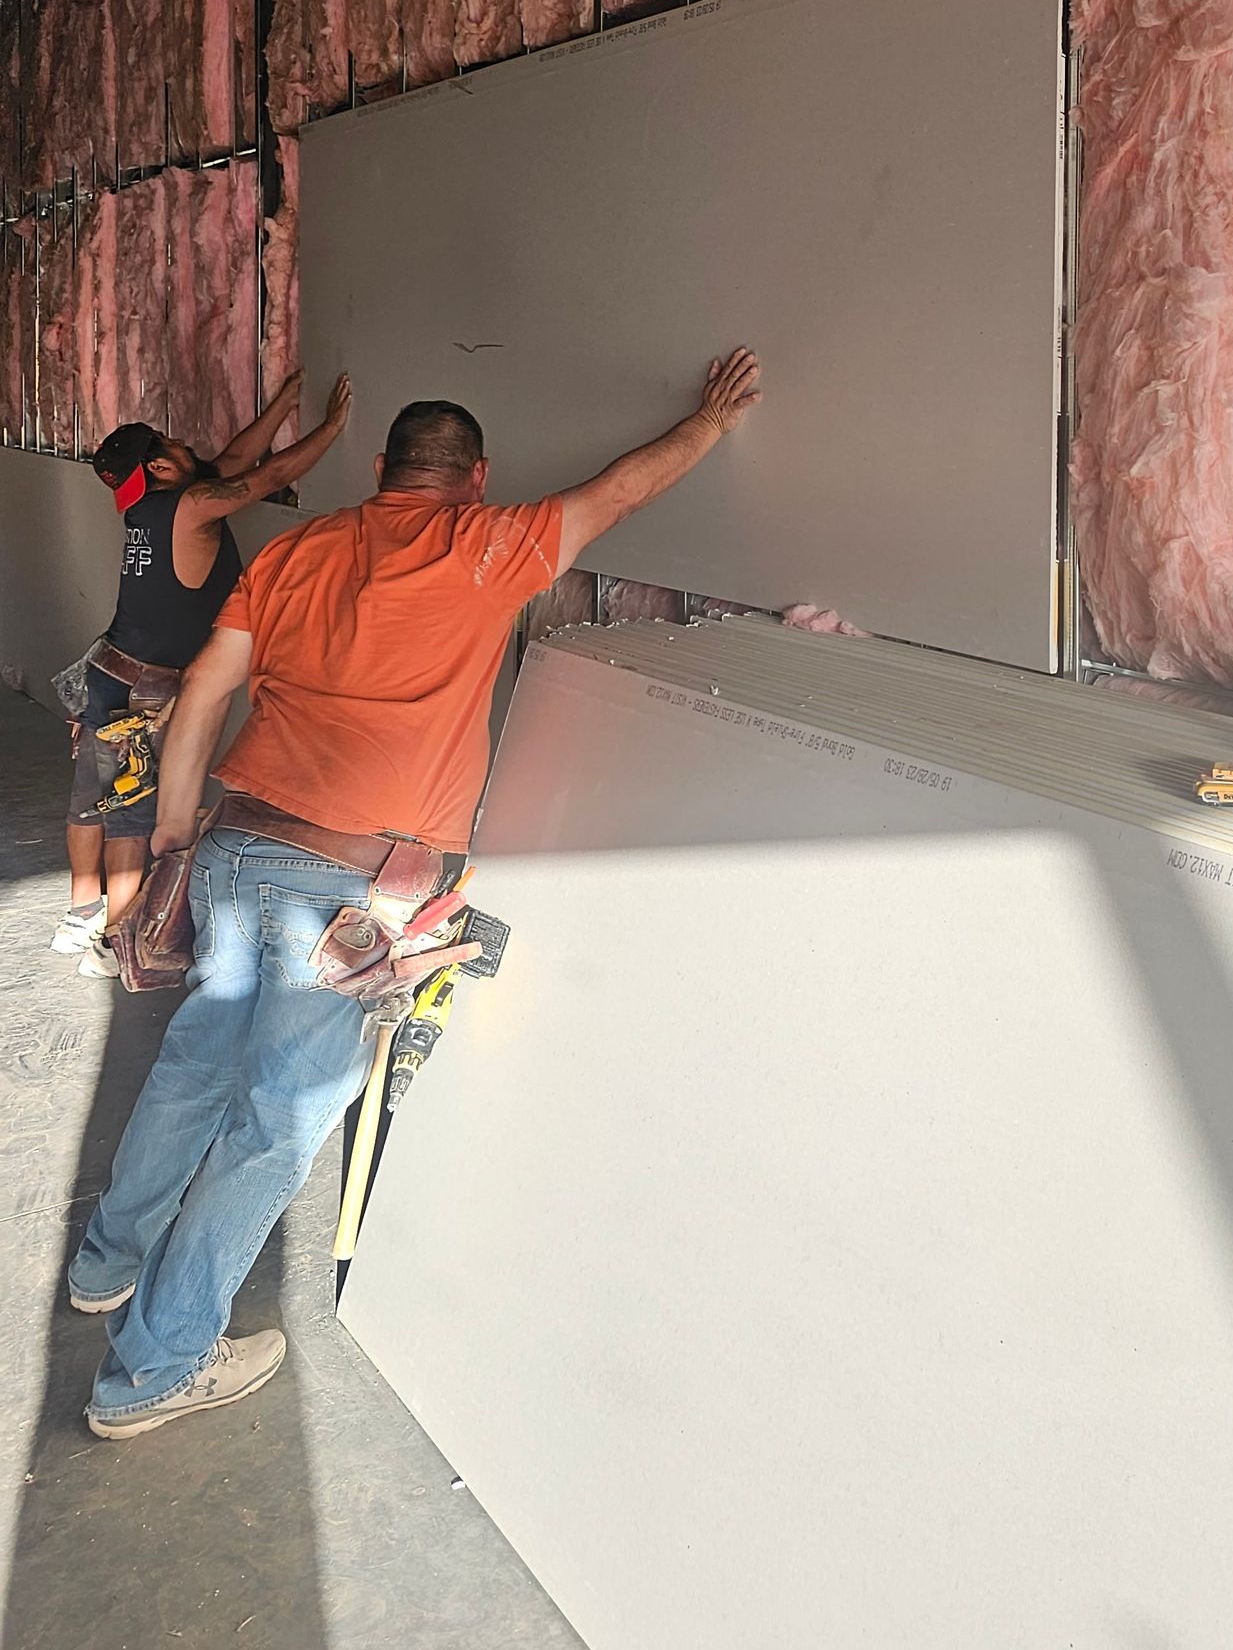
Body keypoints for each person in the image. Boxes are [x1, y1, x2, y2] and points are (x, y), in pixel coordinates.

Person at [71, 347, 762, 1439]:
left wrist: (170, 832)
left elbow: (204, 686)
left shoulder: (297, 549)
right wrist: (711, 424)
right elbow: (620, 490)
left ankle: (104, 1265)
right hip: (343, 885)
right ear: (475, 478)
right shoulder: (490, 544)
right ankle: (151, 1370)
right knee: (275, 1127)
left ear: (381, 471)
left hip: (239, 845)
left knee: (195, 1067)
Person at [54, 372, 353, 976]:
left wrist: (282, 404)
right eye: (172, 443)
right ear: (161, 467)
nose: (185, 445)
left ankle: (80, 915)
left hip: (111, 670)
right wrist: (332, 429)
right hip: (146, 690)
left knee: (91, 801)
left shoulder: (149, 506)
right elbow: (263, 476)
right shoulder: (191, 507)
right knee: (133, 816)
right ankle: (117, 944)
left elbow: (236, 460)